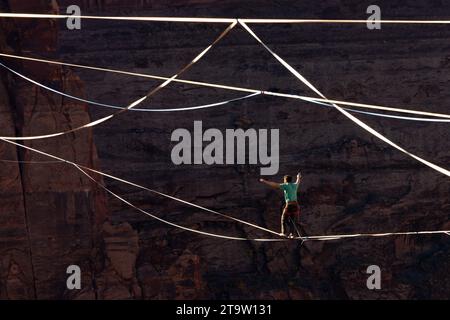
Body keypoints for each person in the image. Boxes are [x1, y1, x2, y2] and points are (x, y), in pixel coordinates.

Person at [259, 172, 302, 238]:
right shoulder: (294, 185)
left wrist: (264, 181)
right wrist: (298, 177)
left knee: (283, 219)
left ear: (285, 180)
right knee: (292, 220)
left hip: (289, 205)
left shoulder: (286, 185)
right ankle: (292, 234)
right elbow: (298, 181)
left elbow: (274, 184)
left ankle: (284, 233)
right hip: (295, 206)